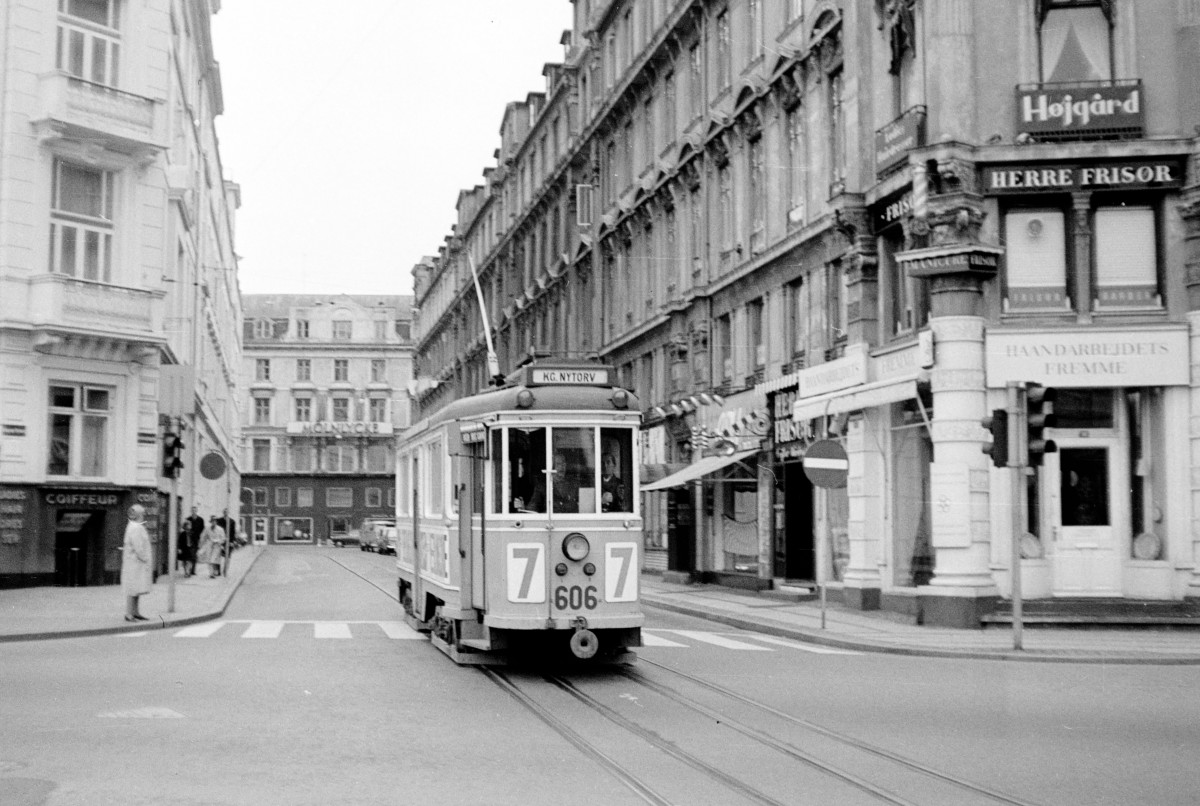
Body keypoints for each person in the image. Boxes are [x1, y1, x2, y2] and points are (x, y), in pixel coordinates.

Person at [120, 504, 152, 622]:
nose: (144, 515)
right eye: (142, 513)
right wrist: (145, 558)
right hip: (135, 563)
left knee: (136, 588)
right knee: (132, 588)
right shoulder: (136, 527)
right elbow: (138, 547)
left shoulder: (134, 526)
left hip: (135, 563)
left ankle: (135, 612)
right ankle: (129, 614)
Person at [182, 506, 205, 576]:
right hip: (189, 539)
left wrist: (200, 538)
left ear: (197, 511)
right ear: (191, 511)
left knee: (194, 555)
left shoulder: (200, 520)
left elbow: (202, 529)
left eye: (195, 510)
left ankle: (193, 570)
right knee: (189, 555)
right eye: (192, 510)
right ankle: (188, 570)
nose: (194, 512)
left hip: (196, 539)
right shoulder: (188, 519)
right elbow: (184, 527)